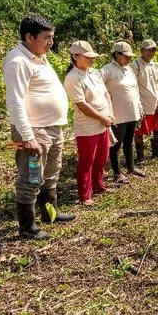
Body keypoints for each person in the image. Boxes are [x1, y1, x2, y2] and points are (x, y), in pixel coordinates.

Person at [2, 15, 75, 240]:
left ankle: (49, 212)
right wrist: (27, 136)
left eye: (52, 37)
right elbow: (15, 101)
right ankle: (27, 226)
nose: (51, 42)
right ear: (29, 37)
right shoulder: (18, 61)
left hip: (52, 127)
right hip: (34, 130)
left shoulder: (39, 57)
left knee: (52, 171)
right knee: (32, 176)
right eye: (47, 38)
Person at [63, 41, 113, 206]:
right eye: (88, 57)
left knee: (102, 157)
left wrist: (110, 113)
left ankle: (98, 185)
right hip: (87, 126)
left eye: (92, 57)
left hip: (103, 122)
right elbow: (82, 105)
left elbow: (106, 93)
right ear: (75, 57)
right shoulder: (73, 78)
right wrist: (102, 117)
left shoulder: (94, 73)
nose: (92, 60)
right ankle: (85, 195)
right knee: (87, 160)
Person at [99, 41, 145, 183]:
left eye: (130, 57)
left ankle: (130, 167)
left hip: (131, 112)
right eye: (125, 57)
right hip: (117, 113)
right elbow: (97, 87)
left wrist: (139, 107)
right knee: (116, 144)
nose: (128, 59)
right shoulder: (107, 70)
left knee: (128, 140)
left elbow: (135, 89)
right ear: (117, 55)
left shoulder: (129, 69)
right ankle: (117, 172)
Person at [131, 39, 158, 162]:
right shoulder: (135, 66)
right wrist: (137, 104)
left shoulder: (156, 66)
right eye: (148, 50)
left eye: (153, 50)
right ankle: (140, 157)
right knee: (139, 132)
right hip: (142, 104)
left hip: (155, 104)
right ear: (142, 50)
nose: (151, 53)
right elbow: (132, 87)